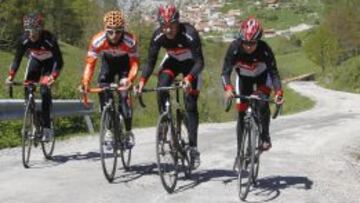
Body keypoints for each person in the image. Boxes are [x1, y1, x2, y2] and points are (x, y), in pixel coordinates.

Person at [137, 4, 204, 168]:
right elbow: (150, 62)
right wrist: (141, 81)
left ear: (178, 23)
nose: (168, 30)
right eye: (164, 26)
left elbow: (200, 62)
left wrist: (189, 78)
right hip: (172, 61)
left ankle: (193, 147)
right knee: (162, 86)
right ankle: (165, 121)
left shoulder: (190, 33)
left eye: (171, 25)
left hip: (191, 65)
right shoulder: (158, 35)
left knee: (190, 103)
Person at [221, 17, 284, 153]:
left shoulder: (265, 50)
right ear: (241, 39)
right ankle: (239, 153)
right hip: (243, 79)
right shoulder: (234, 48)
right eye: (246, 43)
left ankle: (265, 136)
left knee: (261, 103)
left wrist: (279, 92)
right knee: (241, 114)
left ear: (258, 40)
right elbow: (225, 72)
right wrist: (228, 88)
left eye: (252, 43)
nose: (249, 46)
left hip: (262, 78)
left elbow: (274, 74)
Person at [81, 10, 139, 148]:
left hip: (125, 65)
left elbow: (135, 63)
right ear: (105, 29)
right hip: (108, 64)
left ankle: (129, 131)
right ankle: (108, 129)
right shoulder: (97, 40)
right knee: (103, 89)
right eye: (110, 31)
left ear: (123, 30)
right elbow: (90, 63)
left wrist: (129, 79)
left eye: (118, 32)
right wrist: (85, 82)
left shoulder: (130, 41)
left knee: (124, 96)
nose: (114, 36)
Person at [5, 13, 63, 141]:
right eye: (29, 30)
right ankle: (35, 123)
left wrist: (53, 76)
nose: (32, 34)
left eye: (35, 30)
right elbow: (17, 60)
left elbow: (59, 61)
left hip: (49, 62)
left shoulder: (49, 39)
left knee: (44, 91)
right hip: (35, 60)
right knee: (28, 87)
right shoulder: (23, 40)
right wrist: (10, 77)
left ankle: (47, 128)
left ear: (41, 29)